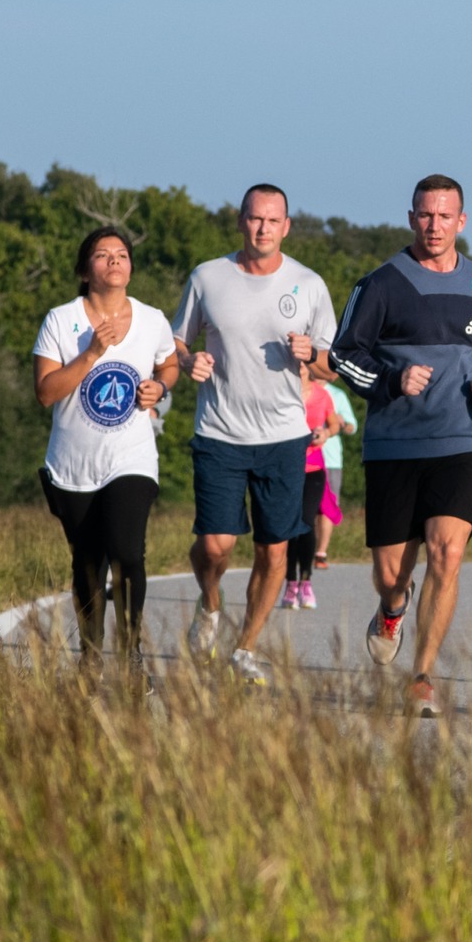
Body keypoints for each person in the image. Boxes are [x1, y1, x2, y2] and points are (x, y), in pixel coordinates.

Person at [331, 175, 472, 717]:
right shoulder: (381, 284)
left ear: (463, 221)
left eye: (445, 216)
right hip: (393, 443)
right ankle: (392, 610)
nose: (435, 226)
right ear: (412, 218)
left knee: (447, 552)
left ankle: (423, 675)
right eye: (425, 215)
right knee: (393, 575)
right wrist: (392, 381)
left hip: (461, 437)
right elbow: (343, 356)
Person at [172, 184, 339, 685]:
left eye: (273, 220)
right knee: (216, 545)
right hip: (220, 432)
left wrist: (311, 354)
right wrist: (188, 360)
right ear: (240, 221)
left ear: (286, 227)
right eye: (254, 218)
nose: (262, 228)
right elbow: (176, 340)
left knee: (274, 550)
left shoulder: (308, 284)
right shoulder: (208, 276)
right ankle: (210, 602)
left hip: (284, 437)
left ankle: (244, 648)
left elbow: (333, 366)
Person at [33, 227, 179, 669]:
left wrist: (160, 386)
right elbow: (45, 392)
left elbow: (169, 364)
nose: (114, 261)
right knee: (88, 562)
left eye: (121, 254)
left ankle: (132, 653)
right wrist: (92, 352)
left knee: (128, 552)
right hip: (73, 464)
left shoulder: (153, 319)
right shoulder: (61, 321)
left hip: (131, 457)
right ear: (84, 270)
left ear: (131, 267)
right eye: (102, 255)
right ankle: (91, 656)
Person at [278, 365, 340, 610]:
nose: (300, 366)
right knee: (288, 525)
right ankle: (290, 582)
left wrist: (325, 432)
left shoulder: (321, 395)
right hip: (285, 466)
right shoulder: (280, 391)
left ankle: (305, 581)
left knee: (305, 521)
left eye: (304, 362)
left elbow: (333, 424)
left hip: (314, 468)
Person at [312, 372, 358, 568]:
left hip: (330, 458)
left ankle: (321, 552)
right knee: (308, 507)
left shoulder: (337, 395)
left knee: (327, 507)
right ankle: (307, 547)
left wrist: (342, 423)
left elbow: (352, 426)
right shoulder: (303, 390)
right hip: (307, 457)